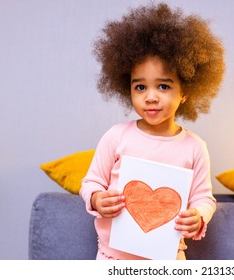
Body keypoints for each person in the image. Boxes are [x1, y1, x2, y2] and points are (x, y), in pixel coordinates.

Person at [80, 2, 225, 260]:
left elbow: (205, 198)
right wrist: (96, 198)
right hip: (112, 258)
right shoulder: (116, 136)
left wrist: (199, 215)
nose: (150, 97)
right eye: (140, 87)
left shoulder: (194, 147)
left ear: (185, 92)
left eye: (164, 86)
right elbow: (91, 182)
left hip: (169, 258)